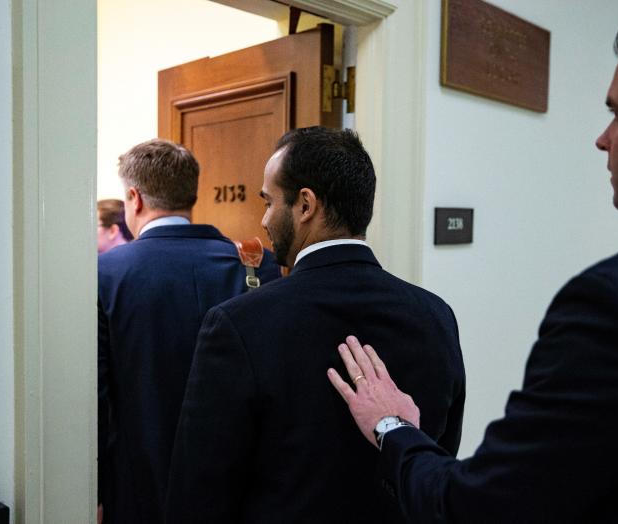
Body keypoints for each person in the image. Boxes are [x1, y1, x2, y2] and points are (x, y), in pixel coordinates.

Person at [327, 19, 618, 524]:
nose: (602, 140)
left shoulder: (608, 305)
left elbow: (480, 507)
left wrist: (392, 426)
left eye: (617, 114)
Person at [165, 127, 466, 523]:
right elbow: (436, 459)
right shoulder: (436, 315)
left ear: (305, 204)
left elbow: (198, 497)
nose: (264, 218)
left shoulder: (237, 324)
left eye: (269, 201)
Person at [97, 138, 281, 524]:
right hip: (238, 483)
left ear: (135, 198)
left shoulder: (106, 274)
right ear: (190, 194)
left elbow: (97, 396)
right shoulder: (253, 265)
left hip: (138, 486)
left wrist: (94, 490)